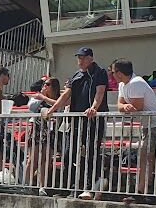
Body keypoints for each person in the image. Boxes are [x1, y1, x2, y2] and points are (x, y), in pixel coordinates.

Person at [42, 48, 108, 200]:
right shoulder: (76, 75)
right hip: (76, 121)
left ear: (91, 58)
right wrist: (52, 110)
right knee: (67, 153)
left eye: (83, 58)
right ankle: (67, 187)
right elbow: (65, 95)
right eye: (79, 58)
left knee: (90, 154)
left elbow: (100, 92)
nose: (80, 61)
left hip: (93, 121)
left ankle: (88, 187)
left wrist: (94, 108)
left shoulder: (99, 72)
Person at [111, 58, 156, 203]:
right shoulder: (122, 85)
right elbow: (120, 105)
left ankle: (140, 191)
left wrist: (126, 107)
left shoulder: (136, 82)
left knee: (145, 154)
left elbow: (137, 107)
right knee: (154, 157)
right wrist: (124, 107)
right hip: (147, 124)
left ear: (119, 72)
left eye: (113, 72)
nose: (112, 75)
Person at [22, 78, 60, 194]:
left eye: (47, 84)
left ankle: (42, 186)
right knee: (33, 158)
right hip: (38, 129)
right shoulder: (38, 96)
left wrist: (45, 98)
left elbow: (59, 105)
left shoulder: (57, 98)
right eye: (44, 84)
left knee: (46, 159)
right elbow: (31, 107)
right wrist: (42, 96)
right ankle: (26, 184)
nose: (44, 86)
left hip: (51, 131)